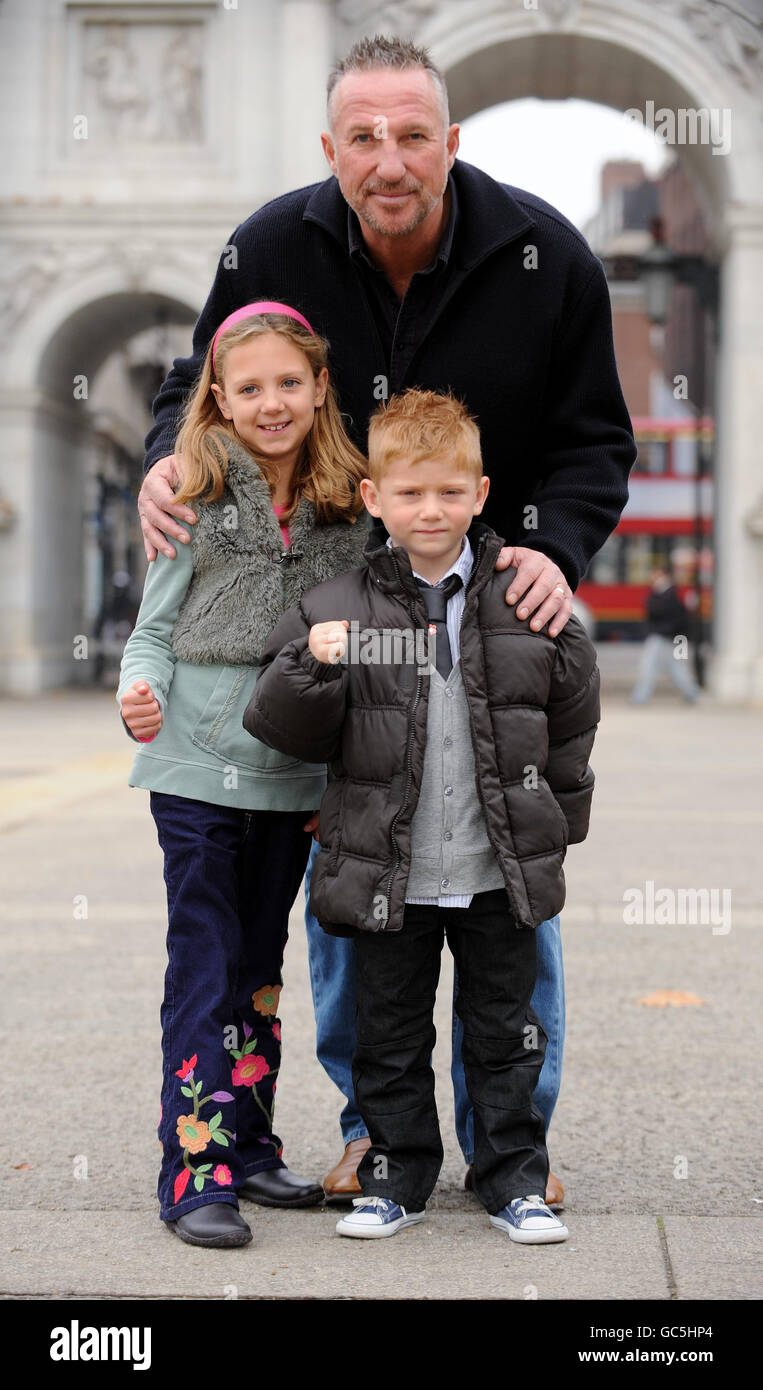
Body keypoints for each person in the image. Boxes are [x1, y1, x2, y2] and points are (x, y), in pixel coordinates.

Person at [134, 33, 635, 1200]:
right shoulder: (269, 243)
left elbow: (595, 441)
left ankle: (514, 1143)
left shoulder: (545, 254)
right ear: (330, 149)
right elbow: (190, 385)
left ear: (451, 143)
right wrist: (168, 460)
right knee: (357, 877)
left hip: (494, 605)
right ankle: (375, 1128)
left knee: (511, 883)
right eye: (363, 137)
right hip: (345, 618)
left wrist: (555, 553)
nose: (389, 159)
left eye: (413, 135)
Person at [244, 389, 600, 1244]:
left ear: (480, 494)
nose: (429, 509)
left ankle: (511, 1175)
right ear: (374, 500)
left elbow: (571, 718)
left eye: (448, 492)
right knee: (388, 1033)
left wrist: (558, 824)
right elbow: (276, 723)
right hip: (385, 869)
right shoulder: (340, 607)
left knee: (506, 1032)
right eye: (409, 493)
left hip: (494, 867)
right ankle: (393, 1178)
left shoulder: (525, 602)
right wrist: (311, 667)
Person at [117, 302, 370, 1247]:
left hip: (292, 775)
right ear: (217, 397)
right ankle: (195, 1166)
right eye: (250, 388)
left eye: (288, 385)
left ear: (318, 390)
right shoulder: (192, 490)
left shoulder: (349, 505)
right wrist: (137, 692)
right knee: (206, 963)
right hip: (191, 767)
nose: (271, 404)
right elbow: (151, 630)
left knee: (260, 975)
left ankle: (251, 1147)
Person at [631, 566, 700, 705]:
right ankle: (691, 692)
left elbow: (660, 613)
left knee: (648, 666)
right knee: (674, 667)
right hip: (665, 636)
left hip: (660, 636)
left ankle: (639, 697)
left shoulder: (668, 595)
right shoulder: (668, 593)